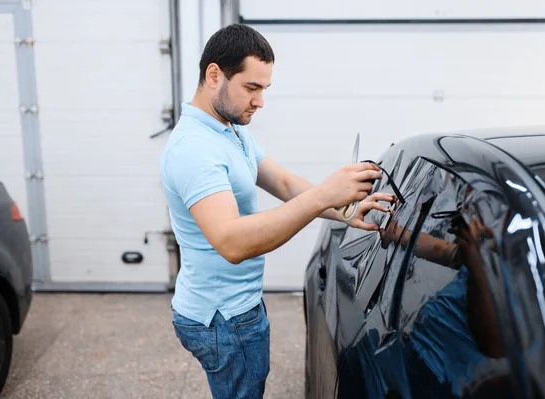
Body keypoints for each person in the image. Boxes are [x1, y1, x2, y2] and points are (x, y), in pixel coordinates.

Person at [159, 24, 395, 398]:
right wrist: (324, 198)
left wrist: (345, 209)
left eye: (264, 89)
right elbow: (232, 242)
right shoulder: (194, 149)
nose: (260, 101)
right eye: (251, 88)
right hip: (222, 319)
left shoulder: (229, 129)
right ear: (214, 75)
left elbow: (283, 184)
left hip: (235, 308)